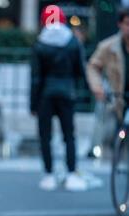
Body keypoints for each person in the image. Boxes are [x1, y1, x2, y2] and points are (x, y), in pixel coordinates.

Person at [31, 5, 87, 192]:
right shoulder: (72, 41)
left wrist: (33, 103)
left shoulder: (40, 43)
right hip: (67, 92)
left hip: (46, 94)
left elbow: (36, 78)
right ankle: (71, 174)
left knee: (45, 136)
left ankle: (49, 175)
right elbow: (80, 70)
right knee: (69, 135)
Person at [87, 7, 129, 155]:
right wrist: (97, 87)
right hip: (116, 96)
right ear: (120, 24)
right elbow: (93, 67)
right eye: (127, 24)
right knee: (109, 131)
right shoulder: (108, 46)